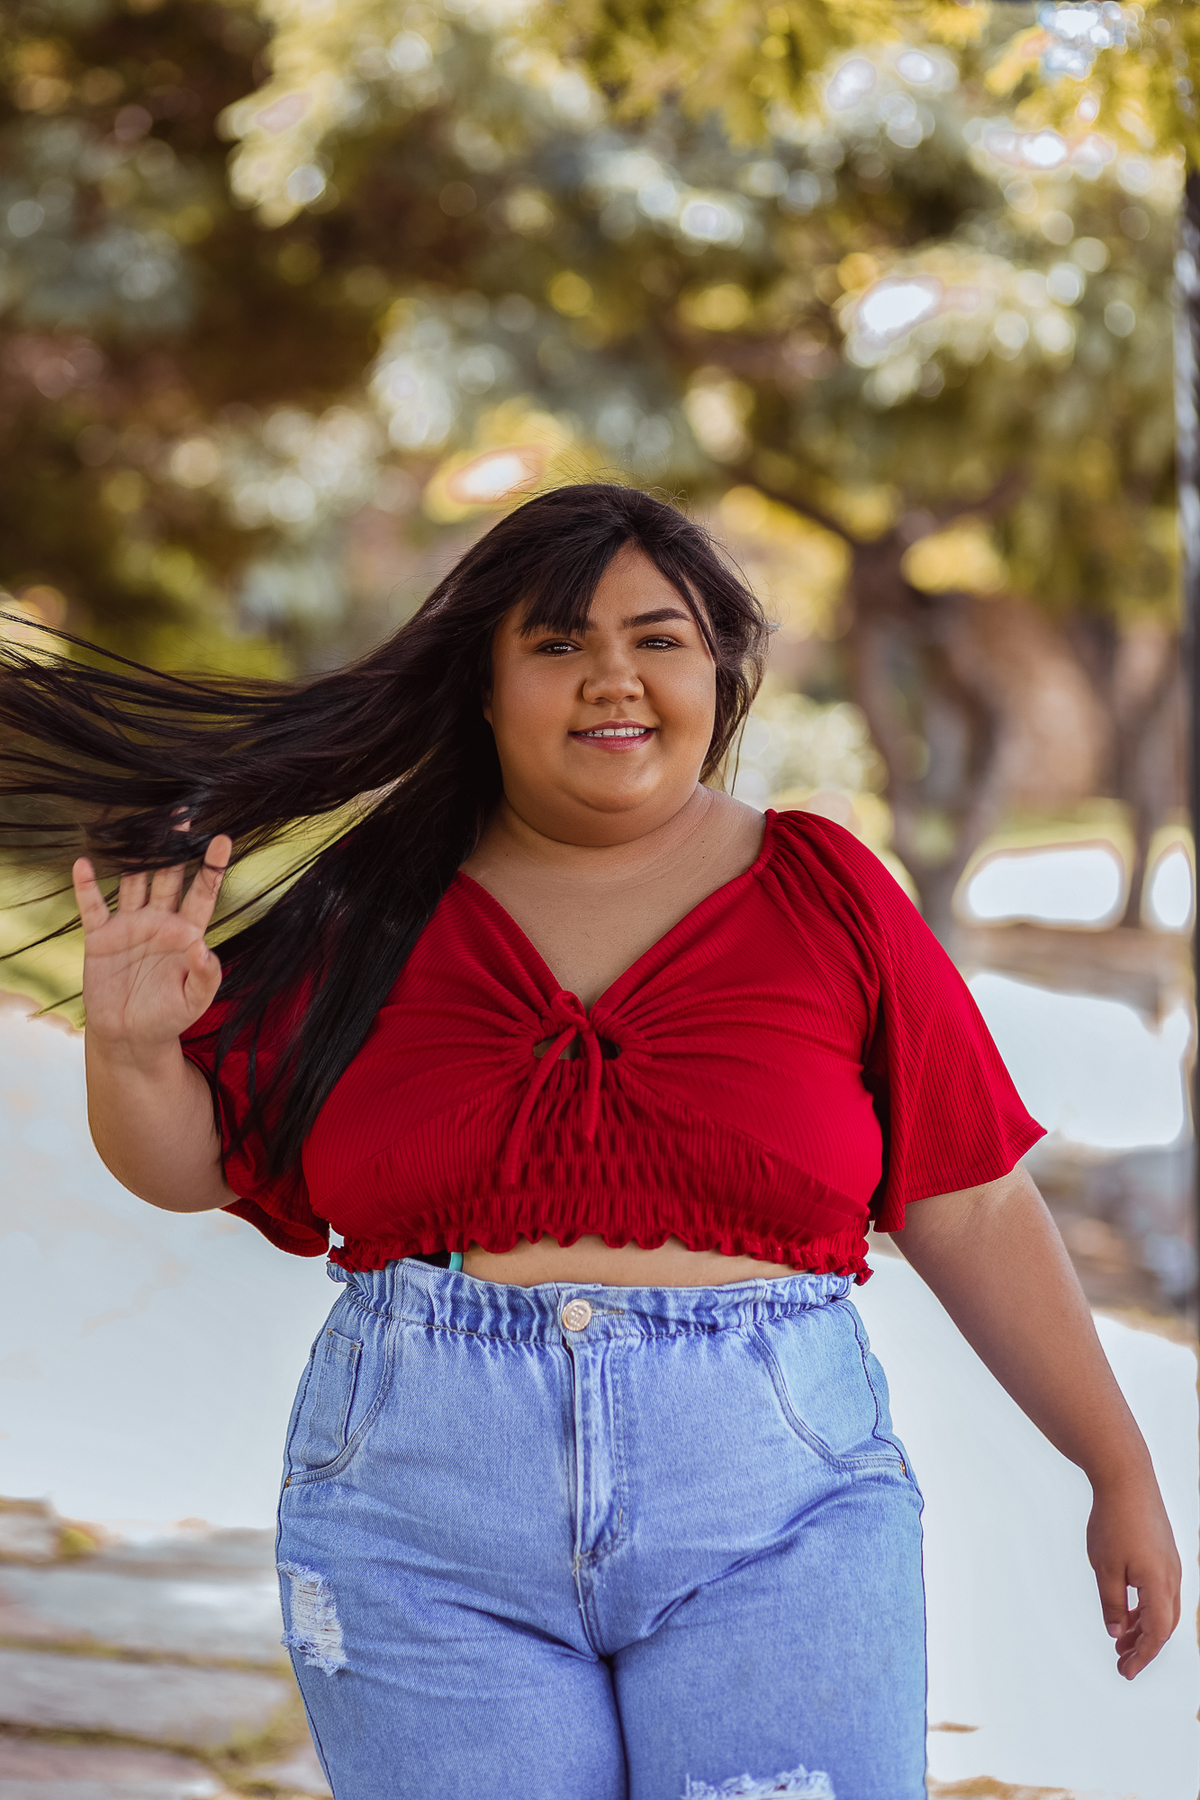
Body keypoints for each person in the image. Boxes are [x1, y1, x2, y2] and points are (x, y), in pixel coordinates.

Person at [4, 484, 1178, 1800]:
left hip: (778, 1517)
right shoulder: (370, 909)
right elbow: (196, 1165)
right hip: (419, 1520)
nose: (612, 676)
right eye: (558, 643)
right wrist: (130, 1048)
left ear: (719, 673)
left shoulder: (824, 890)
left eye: (658, 638)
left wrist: (1114, 1464)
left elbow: (968, 1201)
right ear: (486, 689)